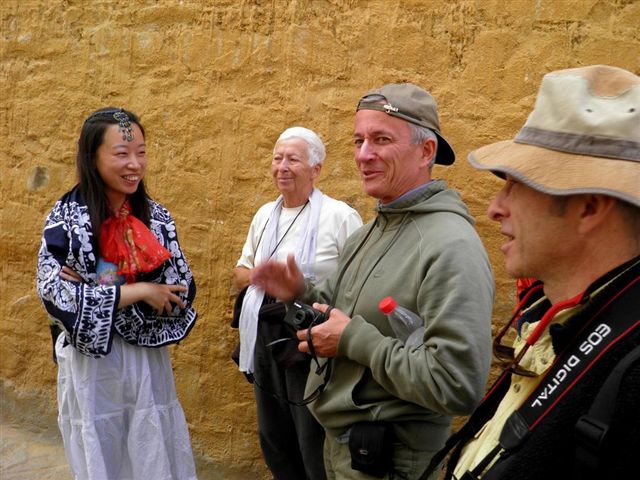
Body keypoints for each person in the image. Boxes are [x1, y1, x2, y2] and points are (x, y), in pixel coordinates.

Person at [251, 84, 495, 479]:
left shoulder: (450, 244)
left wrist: (353, 340)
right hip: (344, 453)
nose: (364, 155)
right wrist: (300, 294)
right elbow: (335, 315)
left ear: (426, 151)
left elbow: (458, 385)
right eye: (359, 140)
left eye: (381, 140)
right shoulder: (367, 235)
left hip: (394, 462)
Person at [434, 65, 640, 480]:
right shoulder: (555, 318)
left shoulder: (631, 374)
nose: (495, 208)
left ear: (589, 206)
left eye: (514, 184)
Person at [36, 108, 198, 480]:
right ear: (92, 158)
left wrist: (97, 286)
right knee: (102, 451)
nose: (134, 164)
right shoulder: (67, 222)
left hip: (146, 365)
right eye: (122, 153)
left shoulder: (156, 218)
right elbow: (58, 296)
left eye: (141, 152)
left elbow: (179, 291)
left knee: (152, 446)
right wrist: (140, 289)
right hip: (93, 370)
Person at [233, 126, 362, 480]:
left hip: (311, 339)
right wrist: (262, 275)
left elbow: (357, 284)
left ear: (316, 169)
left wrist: (299, 287)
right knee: (274, 434)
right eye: (277, 158)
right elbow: (241, 271)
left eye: (293, 159)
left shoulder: (340, 217)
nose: (282, 166)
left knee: (312, 434)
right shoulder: (264, 215)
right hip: (266, 335)